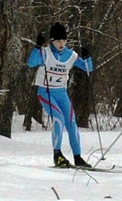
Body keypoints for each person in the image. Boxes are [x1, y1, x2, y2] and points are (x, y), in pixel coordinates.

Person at [28, 22, 95, 168]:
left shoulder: (70, 55)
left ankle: (78, 157)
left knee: (71, 122)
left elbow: (88, 68)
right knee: (58, 119)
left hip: (61, 93)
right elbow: (31, 63)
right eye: (58, 40)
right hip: (45, 92)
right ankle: (57, 155)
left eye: (64, 40)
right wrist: (37, 47)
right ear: (52, 41)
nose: (61, 44)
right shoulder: (45, 52)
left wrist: (88, 56)